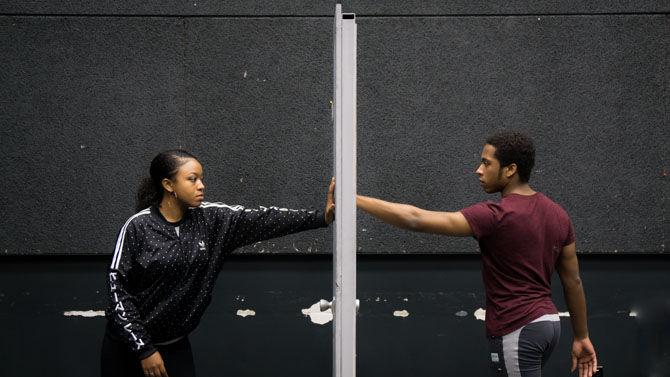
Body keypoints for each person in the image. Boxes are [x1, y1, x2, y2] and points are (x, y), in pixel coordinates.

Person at [356, 131, 598, 377]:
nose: (478, 170)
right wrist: (581, 336)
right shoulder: (558, 215)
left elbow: (415, 219)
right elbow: (573, 280)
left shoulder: (496, 215)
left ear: (510, 169)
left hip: (518, 326)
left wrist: (353, 199)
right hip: (548, 323)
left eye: (486, 163)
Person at [101, 149, 335, 377]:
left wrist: (319, 218)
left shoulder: (213, 220)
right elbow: (117, 290)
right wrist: (144, 349)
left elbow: (265, 219)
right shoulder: (138, 227)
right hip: (129, 349)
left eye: (201, 179)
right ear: (168, 185)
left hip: (175, 347)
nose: (201, 185)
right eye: (192, 179)